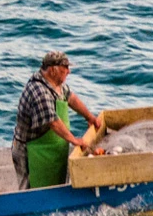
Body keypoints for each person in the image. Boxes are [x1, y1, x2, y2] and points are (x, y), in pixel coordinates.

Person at [12, 51, 103, 189]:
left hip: (50, 148)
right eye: (65, 68)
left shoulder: (56, 84)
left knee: (52, 184)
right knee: (29, 188)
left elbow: (71, 98)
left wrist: (90, 117)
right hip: (30, 149)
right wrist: (74, 140)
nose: (69, 71)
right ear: (53, 70)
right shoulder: (39, 91)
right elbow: (53, 122)